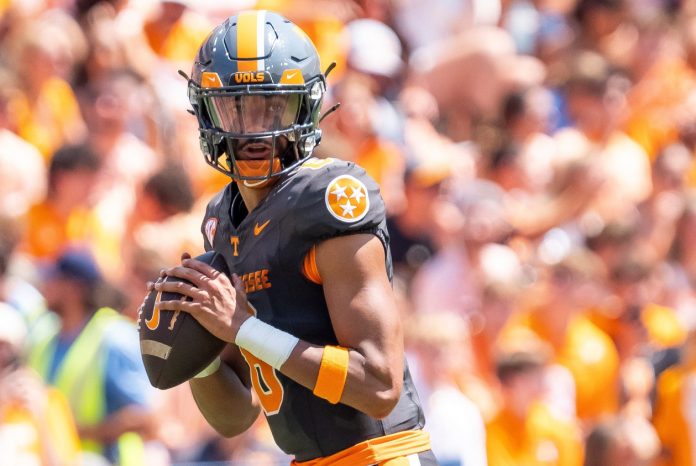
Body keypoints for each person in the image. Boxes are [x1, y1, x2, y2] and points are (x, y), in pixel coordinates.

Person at [150, 10, 439, 466]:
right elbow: (235, 418)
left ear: (304, 106)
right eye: (234, 107)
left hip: (380, 456)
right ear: (207, 112)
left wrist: (243, 329)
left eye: (271, 105)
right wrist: (198, 349)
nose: (252, 129)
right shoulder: (220, 220)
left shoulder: (331, 197)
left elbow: (379, 386)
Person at [29, 249, 158, 466]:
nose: (45, 287)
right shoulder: (45, 336)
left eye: (52, 280)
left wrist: (75, 432)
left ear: (73, 289)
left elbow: (145, 419)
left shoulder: (114, 337)